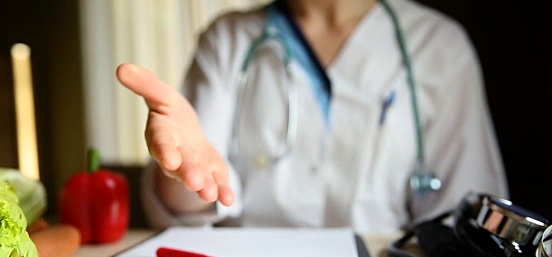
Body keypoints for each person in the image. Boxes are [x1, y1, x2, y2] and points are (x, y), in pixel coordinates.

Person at [116, 0, 508, 233]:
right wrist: (180, 170)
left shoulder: (438, 44)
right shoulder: (229, 38)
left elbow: (466, 213)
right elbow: (196, 197)